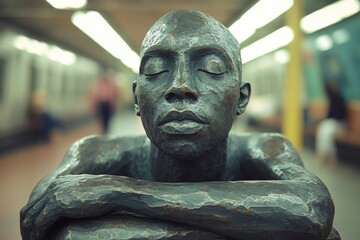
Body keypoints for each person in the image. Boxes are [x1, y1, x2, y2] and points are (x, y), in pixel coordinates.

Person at [20, 10, 339, 240]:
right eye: (157, 69)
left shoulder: (268, 148)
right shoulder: (93, 151)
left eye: (211, 67)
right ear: (136, 97)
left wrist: (120, 192)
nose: (181, 86)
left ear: (241, 99)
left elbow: (310, 208)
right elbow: (40, 216)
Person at [316, 80, 347, 167]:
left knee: (325, 132)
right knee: (324, 133)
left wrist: (324, 117)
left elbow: (337, 116)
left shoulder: (338, 99)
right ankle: (333, 158)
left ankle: (322, 154)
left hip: (339, 125)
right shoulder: (332, 99)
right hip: (332, 124)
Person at [88, 69, 119, 134]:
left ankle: (106, 130)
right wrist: (92, 104)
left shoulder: (111, 84)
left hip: (108, 104)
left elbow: (115, 94)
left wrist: (114, 103)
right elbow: (94, 95)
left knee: (107, 119)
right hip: (100, 104)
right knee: (101, 119)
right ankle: (103, 130)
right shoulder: (98, 84)